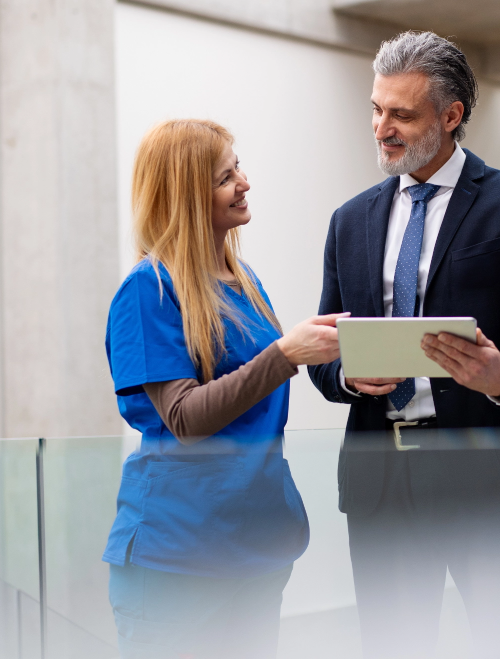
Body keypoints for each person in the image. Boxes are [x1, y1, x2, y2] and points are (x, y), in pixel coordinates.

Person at [308, 31, 500, 658]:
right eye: (375, 109)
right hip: (383, 478)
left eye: (402, 114)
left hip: (488, 473)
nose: (381, 127)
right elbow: (325, 346)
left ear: (451, 117)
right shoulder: (350, 220)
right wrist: (345, 376)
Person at [103, 119, 345, 658]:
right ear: (188, 196)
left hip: (257, 546)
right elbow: (185, 418)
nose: (245, 183)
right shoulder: (149, 291)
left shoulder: (245, 280)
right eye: (225, 177)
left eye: (238, 169)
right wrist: (284, 354)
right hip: (178, 557)